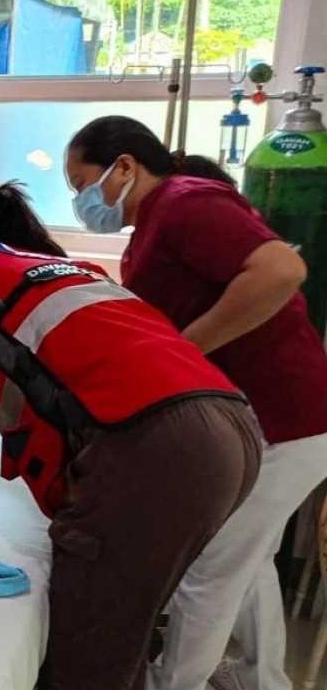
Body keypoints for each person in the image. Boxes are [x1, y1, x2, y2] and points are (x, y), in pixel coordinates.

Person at [0, 179, 264, 690]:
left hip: (157, 444)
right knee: (129, 621)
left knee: (89, 648)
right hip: (232, 426)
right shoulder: (70, 271)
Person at [65, 116, 327, 690]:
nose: (83, 200)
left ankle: (170, 683)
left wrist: (184, 353)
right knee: (248, 560)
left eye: (83, 182)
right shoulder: (158, 223)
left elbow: (283, 269)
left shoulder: (185, 202)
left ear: (126, 166)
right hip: (273, 418)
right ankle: (264, 680)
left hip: (282, 419)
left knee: (209, 569)